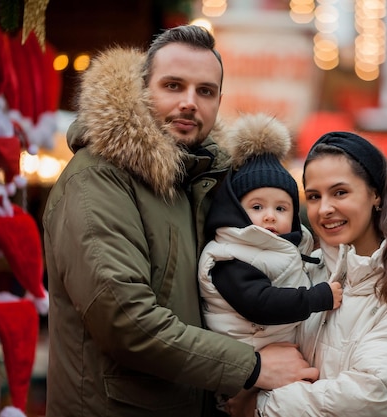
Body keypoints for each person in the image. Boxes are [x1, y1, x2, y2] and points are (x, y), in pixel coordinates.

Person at [42, 25, 318, 417]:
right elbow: (127, 323)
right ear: (142, 88)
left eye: (205, 91)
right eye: (173, 86)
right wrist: (252, 367)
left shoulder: (202, 182)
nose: (190, 102)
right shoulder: (97, 180)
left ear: (219, 100)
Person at [228, 131, 387, 416]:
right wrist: (254, 369)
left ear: (375, 193)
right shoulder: (306, 271)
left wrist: (260, 405)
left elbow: (375, 396)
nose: (324, 209)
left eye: (340, 192)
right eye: (314, 196)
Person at [198, 113, 342, 351]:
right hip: (248, 354)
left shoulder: (292, 249)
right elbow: (259, 303)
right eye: (257, 207)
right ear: (237, 211)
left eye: (281, 208)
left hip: (278, 348)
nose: (270, 215)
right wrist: (317, 298)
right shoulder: (229, 256)